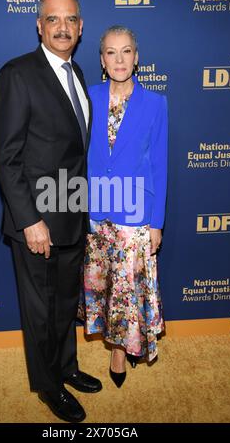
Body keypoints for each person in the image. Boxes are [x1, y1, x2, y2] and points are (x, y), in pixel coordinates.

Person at [0, 0, 102, 423]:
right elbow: (7, 155)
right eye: (53, 19)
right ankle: (48, 385)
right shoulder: (18, 73)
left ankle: (67, 366)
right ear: (39, 25)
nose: (62, 27)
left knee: (64, 301)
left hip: (72, 211)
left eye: (70, 19)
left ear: (80, 27)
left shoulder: (77, 74)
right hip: (36, 219)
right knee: (40, 308)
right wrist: (30, 219)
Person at [83, 25, 168, 388]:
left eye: (126, 51)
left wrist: (156, 222)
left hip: (135, 212)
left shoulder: (156, 102)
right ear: (102, 60)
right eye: (111, 52)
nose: (120, 59)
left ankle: (120, 351)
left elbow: (159, 163)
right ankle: (114, 342)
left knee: (127, 289)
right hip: (97, 210)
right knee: (104, 286)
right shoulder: (88, 96)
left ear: (137, 56)